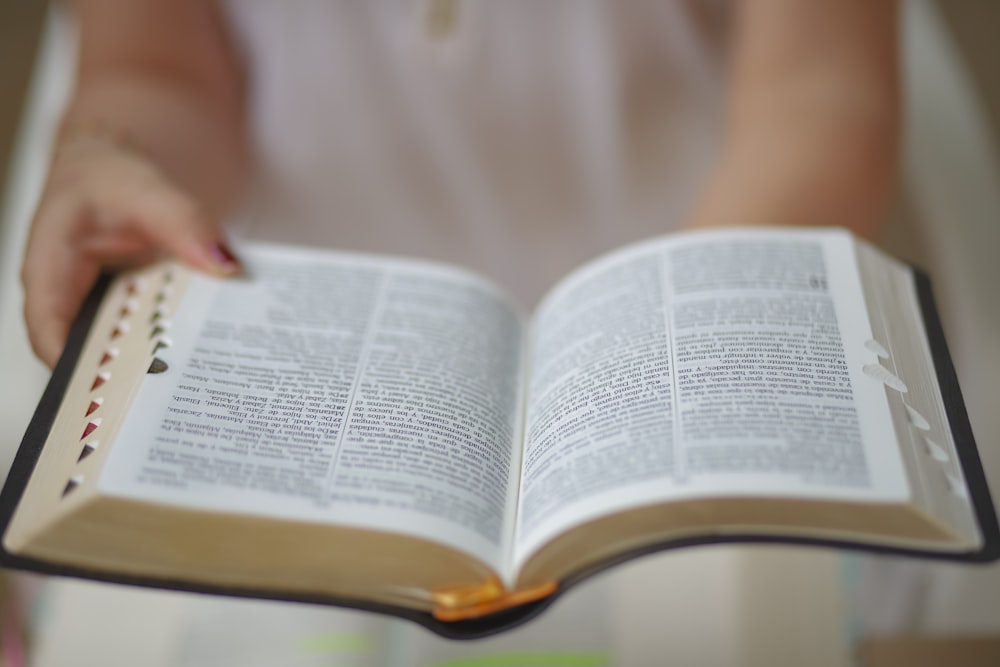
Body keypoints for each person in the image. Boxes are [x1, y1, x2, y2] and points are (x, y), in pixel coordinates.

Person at [21, 0, 899, 368]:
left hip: (708, 272)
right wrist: (113, 155)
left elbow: (817, 94)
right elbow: (155, 71)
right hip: (303, 323)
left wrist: (681, 348)